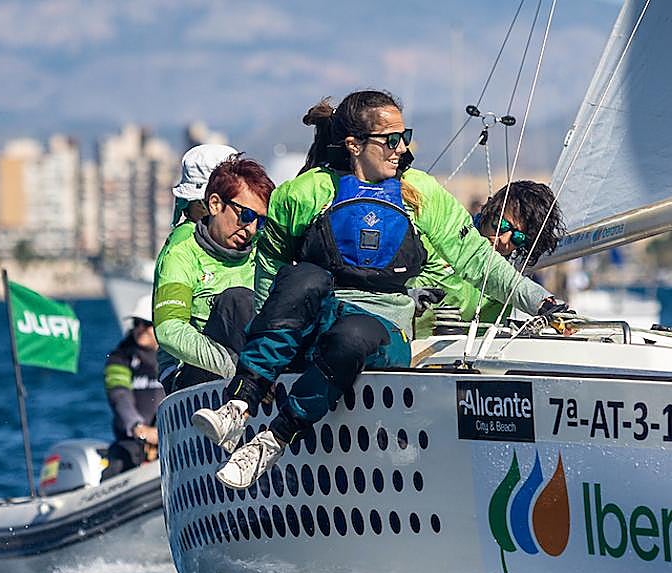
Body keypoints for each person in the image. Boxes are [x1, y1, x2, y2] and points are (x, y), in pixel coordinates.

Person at [193, 89, 571, 489]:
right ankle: (240, 402)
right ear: (355, 145)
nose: (402, 148)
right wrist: (265, 357)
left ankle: (274, 439)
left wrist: (541, 301)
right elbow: (270, 267)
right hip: (320, 322)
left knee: (354, 334)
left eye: (404, 136)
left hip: (380, 333)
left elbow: (479, 260)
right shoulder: (305, 193)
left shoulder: (421, 194)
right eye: (391, 140)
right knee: (304, 278)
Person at [153, 155, 276, 392]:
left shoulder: (262, 246)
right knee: (236, 299)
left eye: (259, 222)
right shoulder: (180, 251)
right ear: (215, 204)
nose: (251, 229)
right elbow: (168, 330)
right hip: (194, 377)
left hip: (256, 370)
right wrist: (239, 368)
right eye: (246, 216)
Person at [409, 180, 565, 324]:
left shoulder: (508, 279)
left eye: (518, 238)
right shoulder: (446, 238)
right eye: (502, 225)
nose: (504, 240)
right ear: (489, 209)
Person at [102, 295, 163, 480]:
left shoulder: (177, 357)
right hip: (133, 442)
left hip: (171, 440)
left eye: (146, 324)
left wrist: (162, 433)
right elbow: (119, 395)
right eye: (136, 323)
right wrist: (137, 427)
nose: (139, 329)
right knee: (117, 465)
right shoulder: (119, 359)